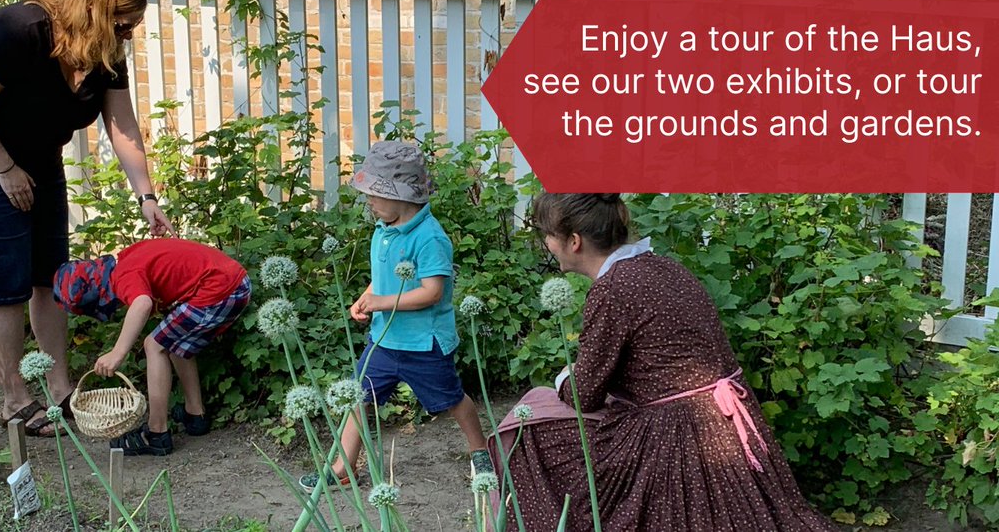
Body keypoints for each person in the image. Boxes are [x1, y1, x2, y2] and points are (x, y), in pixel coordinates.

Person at [488, 193, 836, 531]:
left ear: (574, 241)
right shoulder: (667, 267)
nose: (547, 243)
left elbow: (586, 395)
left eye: (548, 235)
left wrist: (567, 376)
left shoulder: (611, 289)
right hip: (729, 422)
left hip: (672, 435)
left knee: (526, 430)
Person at [0, 0, 174, 437]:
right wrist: (5, 169)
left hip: (40, 160)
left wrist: (147, 196)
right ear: (94, 10)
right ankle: (14, 399)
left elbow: (122, 125)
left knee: (51, 275)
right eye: (122, 25)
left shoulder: (104, 53)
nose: (127, 36)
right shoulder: (20, 29)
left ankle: (60, 389)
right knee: (8, 282)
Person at [300, 140, 494, 491]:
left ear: (402, 196)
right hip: (384, 340)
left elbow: (431, 292)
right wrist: (366, 298)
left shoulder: (430, 237)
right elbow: (384, 276)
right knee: (357, 398)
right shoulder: (383, 231)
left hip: (424, 344)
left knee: (452, 399)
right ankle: (343, 468)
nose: (369, 201)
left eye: (374, 194)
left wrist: (381, 303)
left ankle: (480, 449)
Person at [52, 238, 251, 455]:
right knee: (173, 343)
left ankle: (157, 434)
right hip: (233, 282)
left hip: (220, 289)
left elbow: (142, 303)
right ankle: (196, 415)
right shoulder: (126, 259)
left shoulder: (123, 278)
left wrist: (118, 352)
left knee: (154, 345)